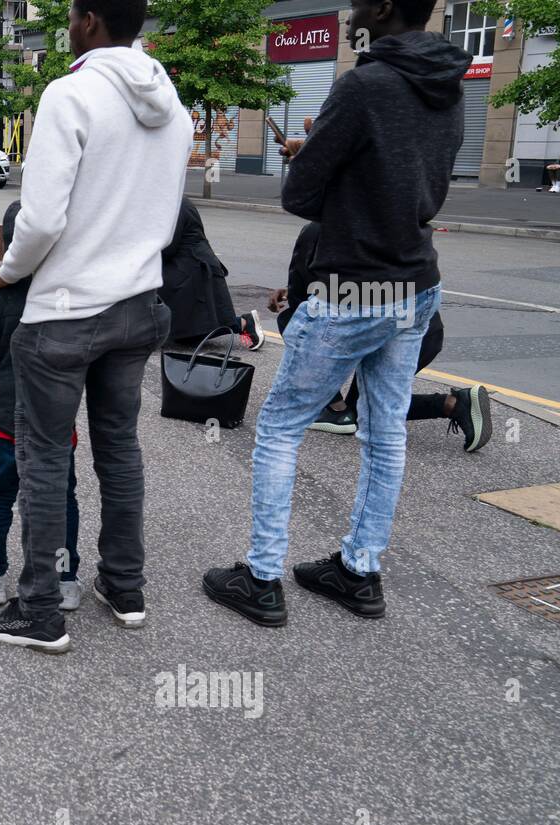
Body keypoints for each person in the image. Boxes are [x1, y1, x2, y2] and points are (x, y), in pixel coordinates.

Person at [204, 0, 472, 627]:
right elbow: (410, 182)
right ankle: (359, 570)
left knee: (280, 428)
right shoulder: (449, 86)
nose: (351, 8)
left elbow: (301, 194)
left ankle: (263, 577)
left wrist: (316, 157)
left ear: (381, 9)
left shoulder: (363, 85)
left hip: (355, 286)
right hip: (416, 283)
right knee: (384, 434)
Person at [0, 0, 192, 653]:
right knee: (119, 447)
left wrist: (7, 272)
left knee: (43, 457)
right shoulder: (172, 106)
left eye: (72, 13)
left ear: (91, 20)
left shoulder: (70, 95)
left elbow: (39, 223)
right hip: (138, 303)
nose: (68, 22)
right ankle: (124, 587)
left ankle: (40, 610)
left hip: (66, 312)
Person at [269, 222, 491, 449]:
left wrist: (302, 293)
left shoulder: (319, 228)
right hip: (424, 331)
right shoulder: (395, 220)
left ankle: (334, 408)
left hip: (381, 332)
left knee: (292, 319)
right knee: (372, 402)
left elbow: (302, 299)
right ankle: (454, 404)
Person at [0, 201, 83, 613]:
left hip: (6, 416)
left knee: (1, 494)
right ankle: (66, 580)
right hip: (57, 414)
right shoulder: (68, 293)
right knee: (63, 495)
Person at [161, 197, 264, 350]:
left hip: (191, 269)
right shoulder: (174, 201)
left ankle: (244, 323)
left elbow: (168, 246)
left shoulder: (174, 204)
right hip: (189, 266)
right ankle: (244, 323)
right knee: (192, 331)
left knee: (201, 323)